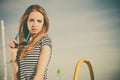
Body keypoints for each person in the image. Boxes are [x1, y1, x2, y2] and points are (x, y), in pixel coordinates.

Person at [8, 4, 52, 80]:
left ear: (43, 24)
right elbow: (16, 77)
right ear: (26, 22)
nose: (35, 24)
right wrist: (14, 53)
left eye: (39, 21)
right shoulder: (21, 43)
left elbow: (39, 76)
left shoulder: (45, 41)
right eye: (31, 20)